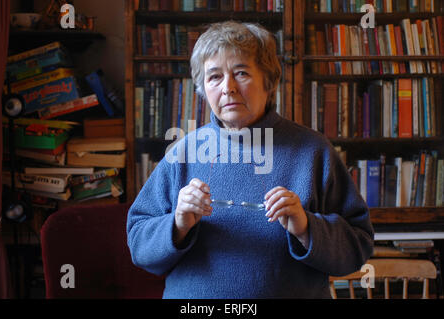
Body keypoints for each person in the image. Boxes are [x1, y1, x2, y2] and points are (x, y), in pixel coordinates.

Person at [127, 21, 374, 298]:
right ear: (202, 88)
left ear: (269, 82)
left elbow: (359, 247)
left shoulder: (313, 151)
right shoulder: (182, 153)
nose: (228, 88)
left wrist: (306, 228)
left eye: (241, 72)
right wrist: (178, 224)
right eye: (214, 77)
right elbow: (138, 246)